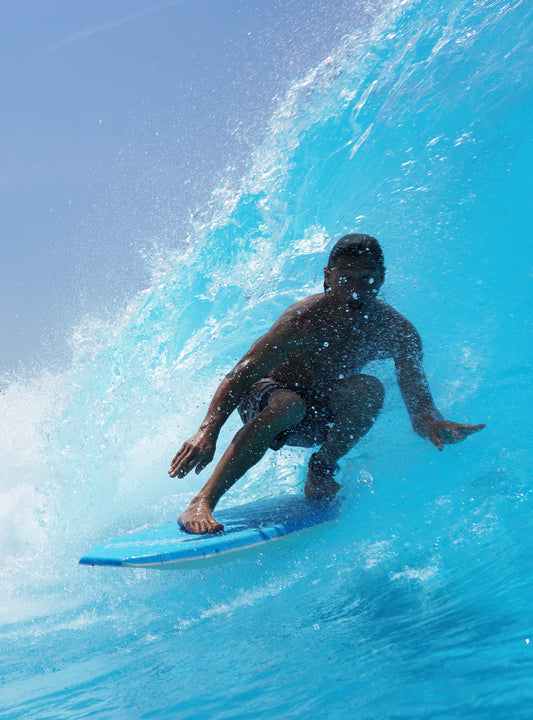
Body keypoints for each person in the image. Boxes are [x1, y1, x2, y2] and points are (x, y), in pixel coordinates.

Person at [169, 234, 485, 534]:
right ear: (328, 276)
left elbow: (421, 410)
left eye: (367, 278)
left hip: (315, 413)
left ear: (382, 278)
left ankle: (320, 472)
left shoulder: (395, 331)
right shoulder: (302, 320)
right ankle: (201, 502)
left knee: (370, 390)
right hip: (266, 397)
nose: (356, 290)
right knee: (289, 404)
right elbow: (241, 374)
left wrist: (433, 424)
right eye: (346, 278)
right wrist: (207, 432)